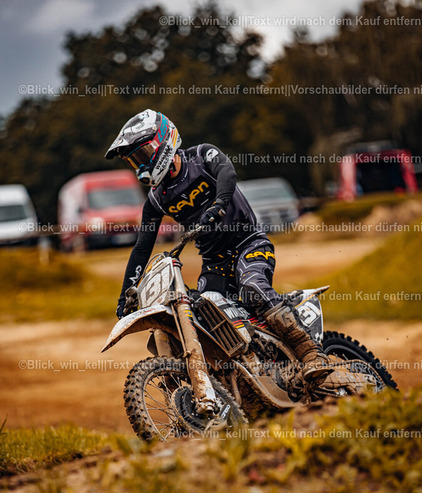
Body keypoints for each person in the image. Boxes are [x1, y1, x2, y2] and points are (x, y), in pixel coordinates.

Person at [105, 109, 331, 381]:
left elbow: (227, 172)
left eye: (142, 156)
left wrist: (219, 204)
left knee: (252, 286)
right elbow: (142, 248)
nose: (140, 166)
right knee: (201, 312)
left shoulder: (202, 156)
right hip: (216, 263)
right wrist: (124, 297)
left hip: (249, 243)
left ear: (163, 141)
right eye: (134, 161)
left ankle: (311, 354)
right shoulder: (156, 199)